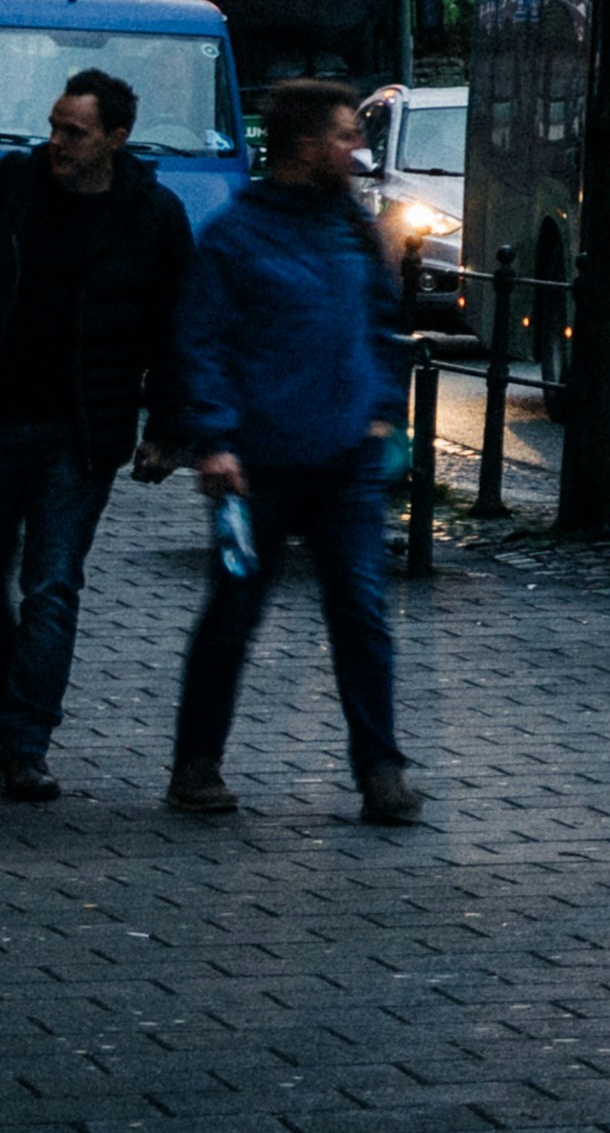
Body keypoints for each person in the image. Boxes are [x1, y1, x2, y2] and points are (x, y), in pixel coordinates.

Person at [0, 66, 200, 800]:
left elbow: (179, 331)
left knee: (50, 586)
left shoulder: (150, 216)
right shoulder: (6, 191)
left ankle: (25, 743)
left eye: (74, 132)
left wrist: (170, 430)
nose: (57, 143)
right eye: (53, 126)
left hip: (81, 434)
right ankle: (14, 710)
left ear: (116, 137)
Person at [171, 75, 424, 825]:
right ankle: (196, 762)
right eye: (347, 135)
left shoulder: (348, 227)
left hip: (344, 457)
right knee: (233, 613)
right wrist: (214, 441)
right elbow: (203, 342)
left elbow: (383, 322)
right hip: (256, 463)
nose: (357, 149)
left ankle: (381, 768)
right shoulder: (237, 236)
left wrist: (381, 411)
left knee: (362, 614)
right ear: (308, 145)